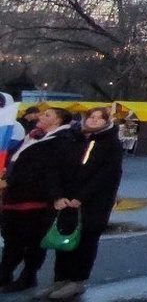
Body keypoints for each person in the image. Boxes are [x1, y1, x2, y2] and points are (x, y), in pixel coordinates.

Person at [45, 106, 126, 299]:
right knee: (63, 239)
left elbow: (107, 175)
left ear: (107, 122)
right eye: (91, 117)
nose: (94, 121)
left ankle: (77, 281)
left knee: (85, 242)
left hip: (92, 203)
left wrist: (81, 197)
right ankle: (60, 280)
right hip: (65, 200)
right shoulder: (72, 138)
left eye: (100, 118)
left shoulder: (111, 144)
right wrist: (58, 195)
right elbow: (55, 167)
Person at [0, 107, 79, 293]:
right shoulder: (35, 136)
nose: (41, 117)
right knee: (13, 238)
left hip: (35, 198)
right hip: (16, 195)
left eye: (47, 115)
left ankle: (27, 276)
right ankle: (5, 273)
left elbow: (44, 171)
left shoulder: (59, 141)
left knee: (30, 240)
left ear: (58, 122)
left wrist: (10, 179)